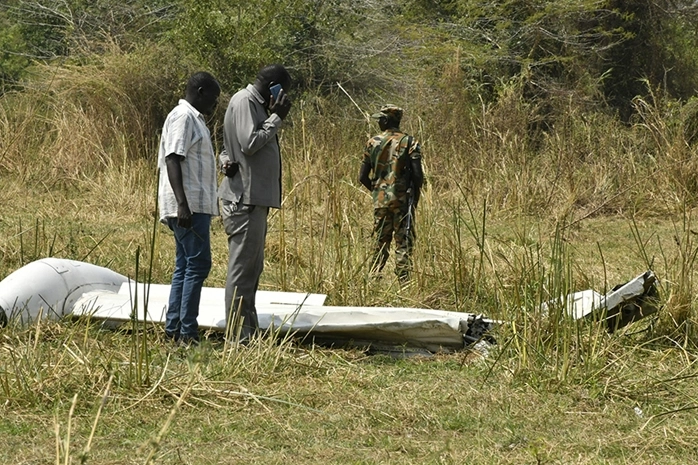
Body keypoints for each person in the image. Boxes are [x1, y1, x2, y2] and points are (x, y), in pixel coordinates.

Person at [218, 64, 292, 341]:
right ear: (274, 85)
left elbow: (229, 148)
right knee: (241, 272)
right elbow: (249, 143)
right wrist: (276, 117)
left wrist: (225, 162)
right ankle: (238, 337)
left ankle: (247, 331)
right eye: (283, 90)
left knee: (252, 270)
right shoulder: (246, 101)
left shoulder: (251, 103)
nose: (284, 96)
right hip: (244, 201)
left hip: (252, 199)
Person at [157, 71, 221, 345]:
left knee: (185, 265)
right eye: (214, 99)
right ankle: (187, 333)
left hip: (194, 204)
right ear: (201, 91)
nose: (215, 105)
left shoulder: (195, 119)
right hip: (188, 206)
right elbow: (173, 158)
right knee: (198, 264)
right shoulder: (183, 117)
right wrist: (183, 204)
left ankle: (174, 329)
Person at [359, 104, 423, 282]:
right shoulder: (410, 142)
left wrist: (378, 191)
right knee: (403, 242)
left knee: (379, 241)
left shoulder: (372, 142)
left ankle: (373, 278)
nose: (378, 122)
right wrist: (413, 196)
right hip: (402, 201)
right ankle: (404, 281)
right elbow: (418, 176)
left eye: (380, 119)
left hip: (380, 201)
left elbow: (362, 177)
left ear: (386, 120)